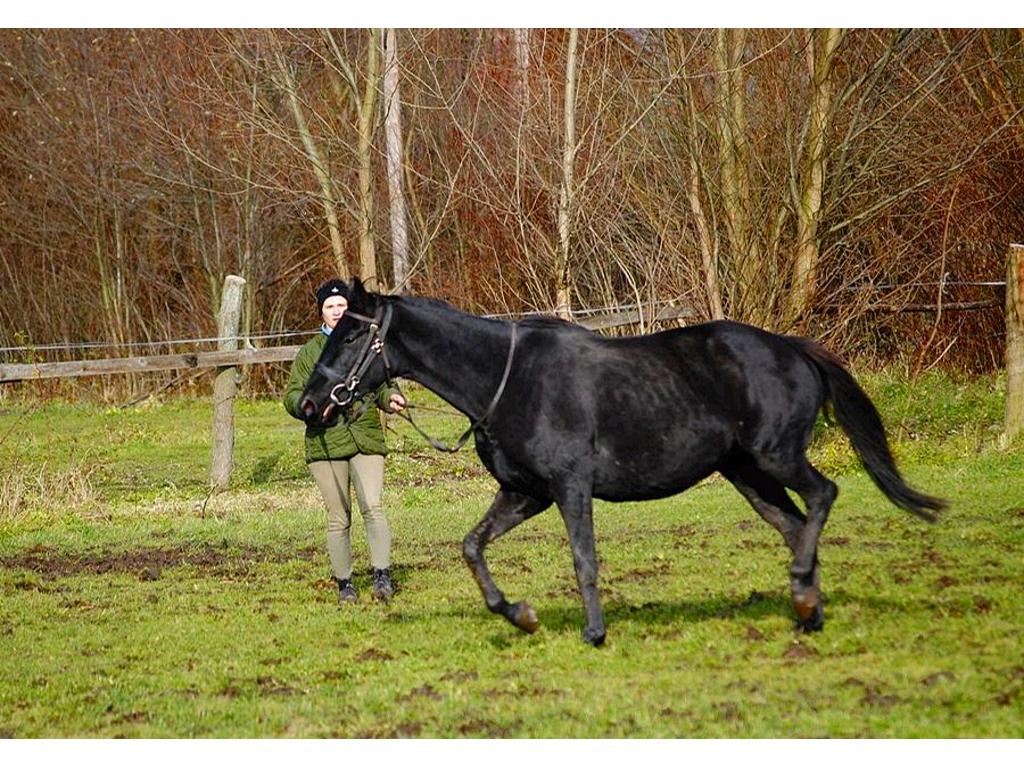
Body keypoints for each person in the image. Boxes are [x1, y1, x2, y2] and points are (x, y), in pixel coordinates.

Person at [283, 278, 406, 604]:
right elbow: (292, 395)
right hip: (326, 442)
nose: (337, 311)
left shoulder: (363, 342)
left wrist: (390, 396)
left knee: (373, 506)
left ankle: (382, 576)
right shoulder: (310, 353)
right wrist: (303, 407)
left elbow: (379, 382)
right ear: (321, 313)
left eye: (341, 306)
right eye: (330, 307)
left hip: (364, 437)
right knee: (340, 517)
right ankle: (345, 584)